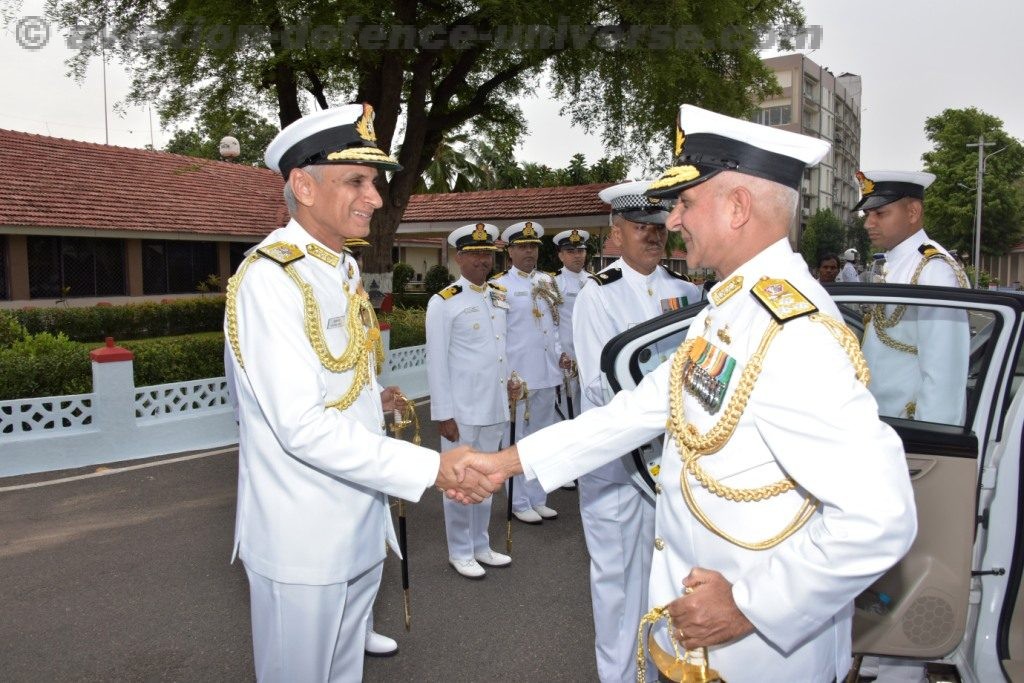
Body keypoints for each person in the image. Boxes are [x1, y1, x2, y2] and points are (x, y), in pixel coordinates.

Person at [456, 105, 916, 682]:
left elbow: (881, 516)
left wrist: (752, 605)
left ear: (738, 206)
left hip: (756, 658)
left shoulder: (792, 331)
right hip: (697, 639)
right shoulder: (731, 309)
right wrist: (506, 463)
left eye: (686, 202)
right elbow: (641, 408)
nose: (672, 220)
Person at [225, 103, 495, 682]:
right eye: (357, 181)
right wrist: (433, 469)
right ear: (303, 184)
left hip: (357, 520)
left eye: (373, 182)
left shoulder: (338, 268)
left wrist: (374, 397)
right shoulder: (271, 277)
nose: (375, 197)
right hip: (303, 536)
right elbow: (299, 423)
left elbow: (334, 380)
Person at [572, 180, 700, 682]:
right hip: (617, 469)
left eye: (656, 226)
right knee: (617, 587)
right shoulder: (596, 296)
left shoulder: (686, 293)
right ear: (616, 235)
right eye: (638, 227)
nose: (650, 235)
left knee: (668, 581)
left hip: (672, 465)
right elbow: (601, 388)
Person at [425, 222, 514, 579]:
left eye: (487, 254)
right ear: (459, 257)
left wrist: (512, 381)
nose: (482, 261)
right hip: (461, 411)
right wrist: (443, 414)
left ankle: (481, 544)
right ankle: (460, 550)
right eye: (474, 254)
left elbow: (500, 349)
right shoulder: (443, 302)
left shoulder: (497, 294)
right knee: (459, 482)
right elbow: (437, 361)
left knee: (488, 480)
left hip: (494, 406)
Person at [856, 170, 970, 426]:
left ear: (913, 212)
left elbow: (944, 369)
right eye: (867, 215)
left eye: (880, 214)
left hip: (911, 424)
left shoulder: (933, 269)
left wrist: (933, 438)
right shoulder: (895, 262)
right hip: (883, 420)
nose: (868, 223)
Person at [490, 221, 572, 524]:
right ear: (510, 251)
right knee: (518, 441)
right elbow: (498, 334)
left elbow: (554, 324)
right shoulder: (499, 286)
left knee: (543, 439)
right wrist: (506, 373)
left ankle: (538, 498)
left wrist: (561, 352)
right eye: (523, 246)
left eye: (533, 246)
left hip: (548, 372)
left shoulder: (547, 282)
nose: (529, 251)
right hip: (519, 376)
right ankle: (518, 500)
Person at [552, 229, 590, 467]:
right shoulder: (554, 284)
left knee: (587, 410)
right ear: (560, 255)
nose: (577, 255)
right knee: (565, 411)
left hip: (588, 357)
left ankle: (583, 460)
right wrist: (559, 353)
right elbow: (551, 323)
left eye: (581, 250)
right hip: (566, 357)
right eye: (571, 251)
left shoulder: (594, 282)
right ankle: (564, 464)